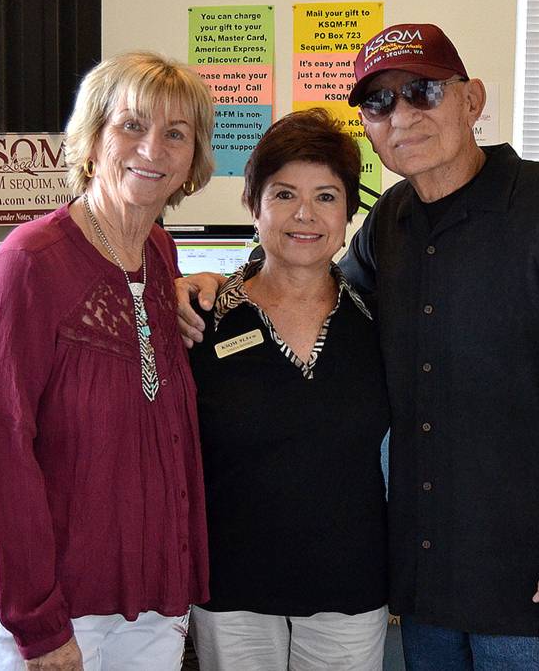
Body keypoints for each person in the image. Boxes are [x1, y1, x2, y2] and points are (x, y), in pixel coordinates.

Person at [178, 24, 539, 670]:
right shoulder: (389, 225)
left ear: (472, 100)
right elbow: (307, 283)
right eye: (379, 103)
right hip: (427, 594)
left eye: (423, 91)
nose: (402, 115)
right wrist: (209, 283)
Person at [0, 51, 214, 671]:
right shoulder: (32, 261)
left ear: (192, 161)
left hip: (148, 598)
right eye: (132, 125)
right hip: (54, 610)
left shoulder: (158, 251)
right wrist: (40, 628)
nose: (153, 148)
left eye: (176, 133)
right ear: (93, 140)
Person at [187, 107, 391, 671]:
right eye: (283, 195)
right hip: (231, 588)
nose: (306, 214)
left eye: (326, 196)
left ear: (349, 211)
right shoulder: (203, 316)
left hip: (349, 590)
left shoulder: (380, 322)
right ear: (253, 205)